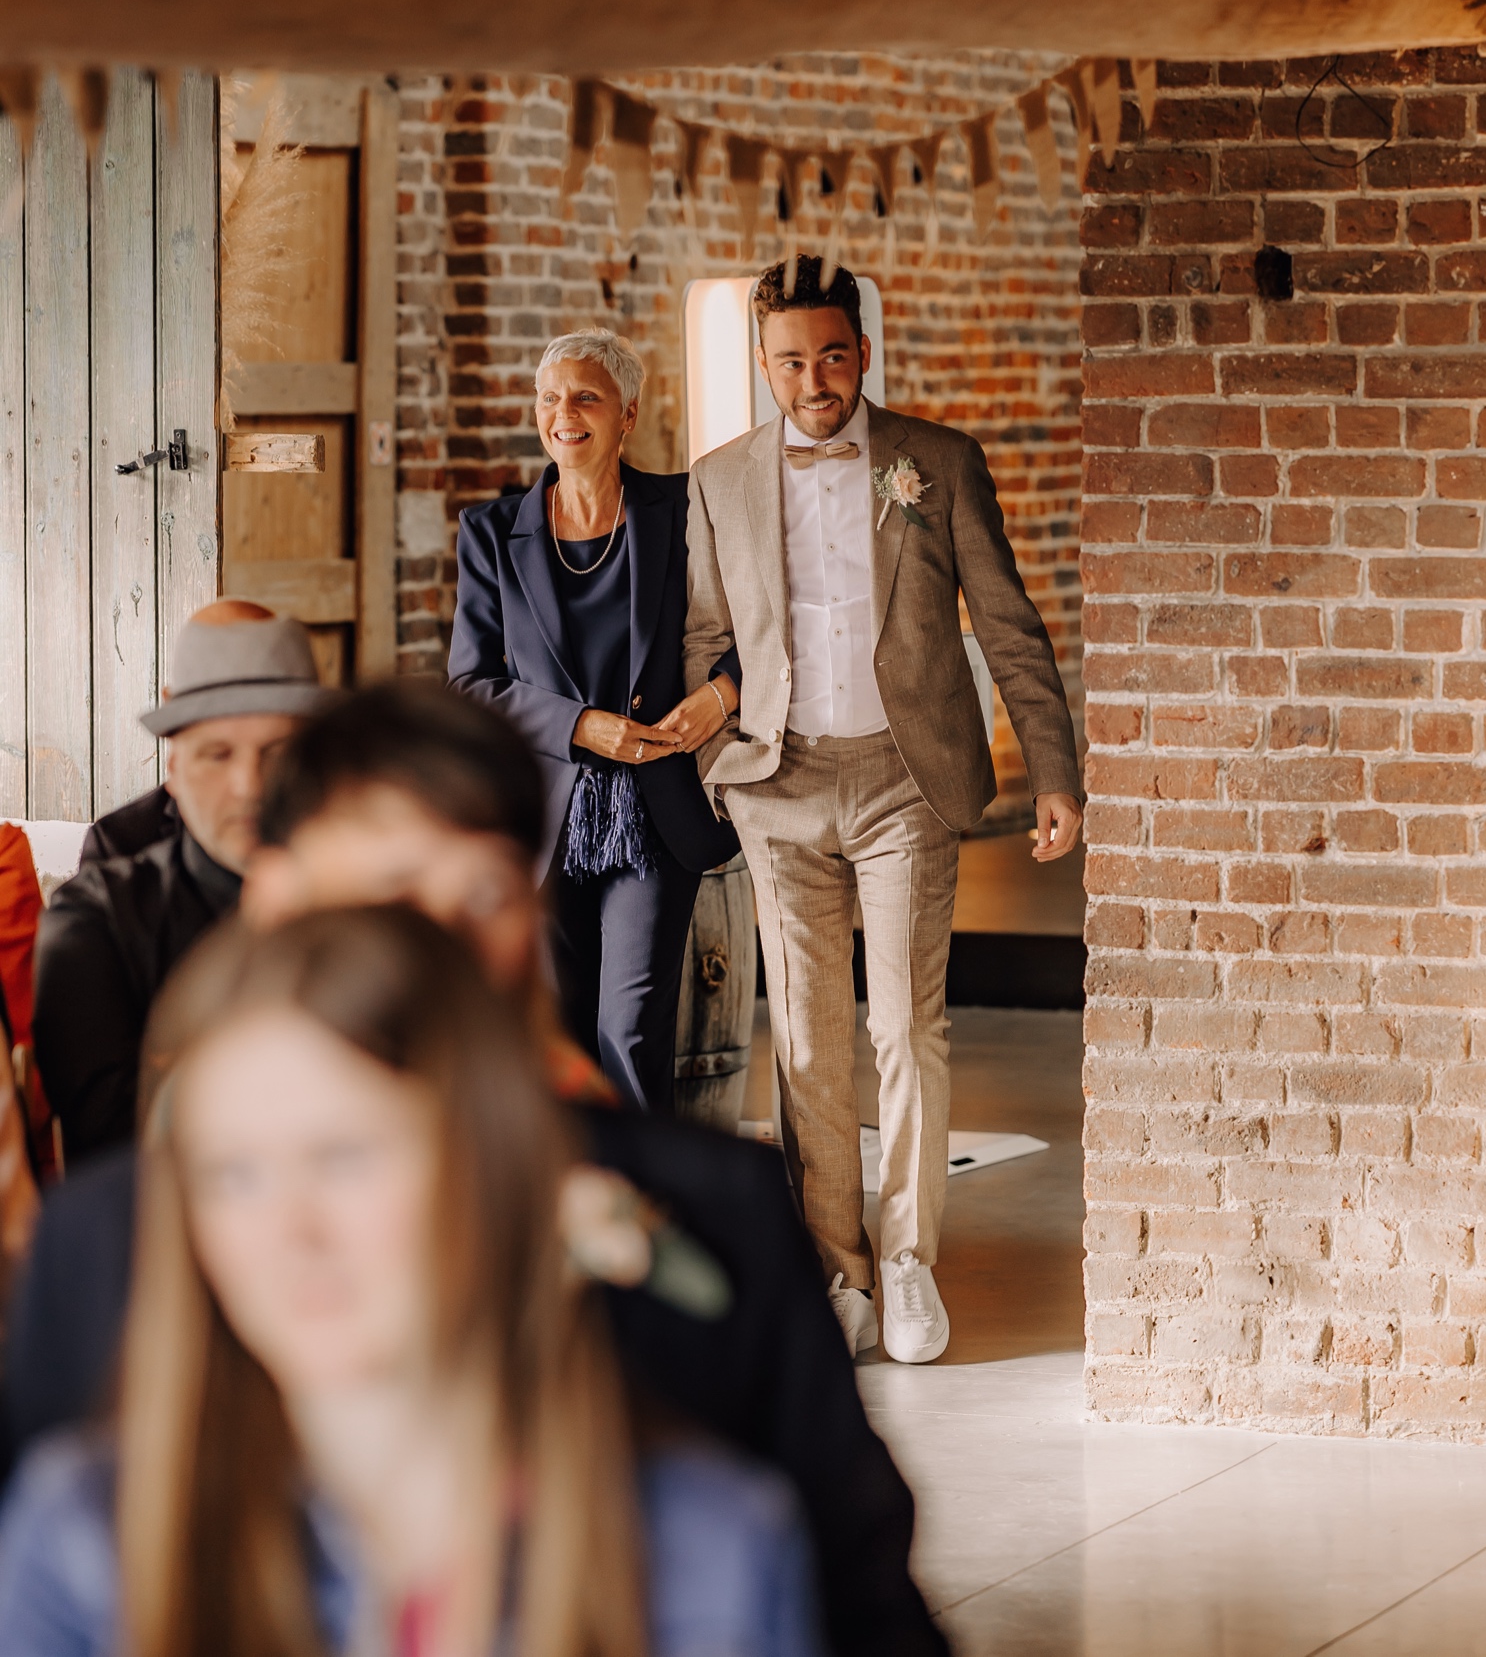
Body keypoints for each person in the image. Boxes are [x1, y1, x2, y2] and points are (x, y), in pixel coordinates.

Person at [7, 682, 946, 1657]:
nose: (441, 944)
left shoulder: (716, 1217)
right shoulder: (106, 1246)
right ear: (280, 900)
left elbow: (863, 1601)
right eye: (392, 890)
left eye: (487, 895)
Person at [0, 905, 826, 1657]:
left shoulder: (713, 1552)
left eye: (345, 1156)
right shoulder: (83, 1543)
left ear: (487, 1165)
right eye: (233, 1175)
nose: (292, 1232)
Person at [684, 256, 1083, 1365]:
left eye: (830, 355)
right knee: (807, 1042)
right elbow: (701, 641)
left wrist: (1056, 769)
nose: (812, 380)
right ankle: (839, 1274)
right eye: (788, 361)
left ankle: (907, 1263)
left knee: (906, 1024)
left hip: (907, 781)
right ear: (761, 364)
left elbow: (1008, 622)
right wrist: (723, 760)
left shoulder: (938, 462)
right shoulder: (718, 482)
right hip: (780, 785)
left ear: (860, 350)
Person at [449, 327, 739, 1112]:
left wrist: (723, 694)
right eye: (549, 398)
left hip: (659, 808)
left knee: (630, 1030)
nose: (563, 414)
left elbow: (762, 629)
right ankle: (571, 1214)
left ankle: (648, 1214)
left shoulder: (683, 510)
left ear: (628, 414)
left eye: (585, 397)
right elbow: (472, 682)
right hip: (546, 815)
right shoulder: (490, 534)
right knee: (560, 1036)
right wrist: (584, 725)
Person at [31, 603, 326, 1163]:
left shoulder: (377, 903)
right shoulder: (97, 920)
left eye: (278, 753)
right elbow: (113, 1149)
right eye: (217, 754)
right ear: (173, 765)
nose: (248, 786)